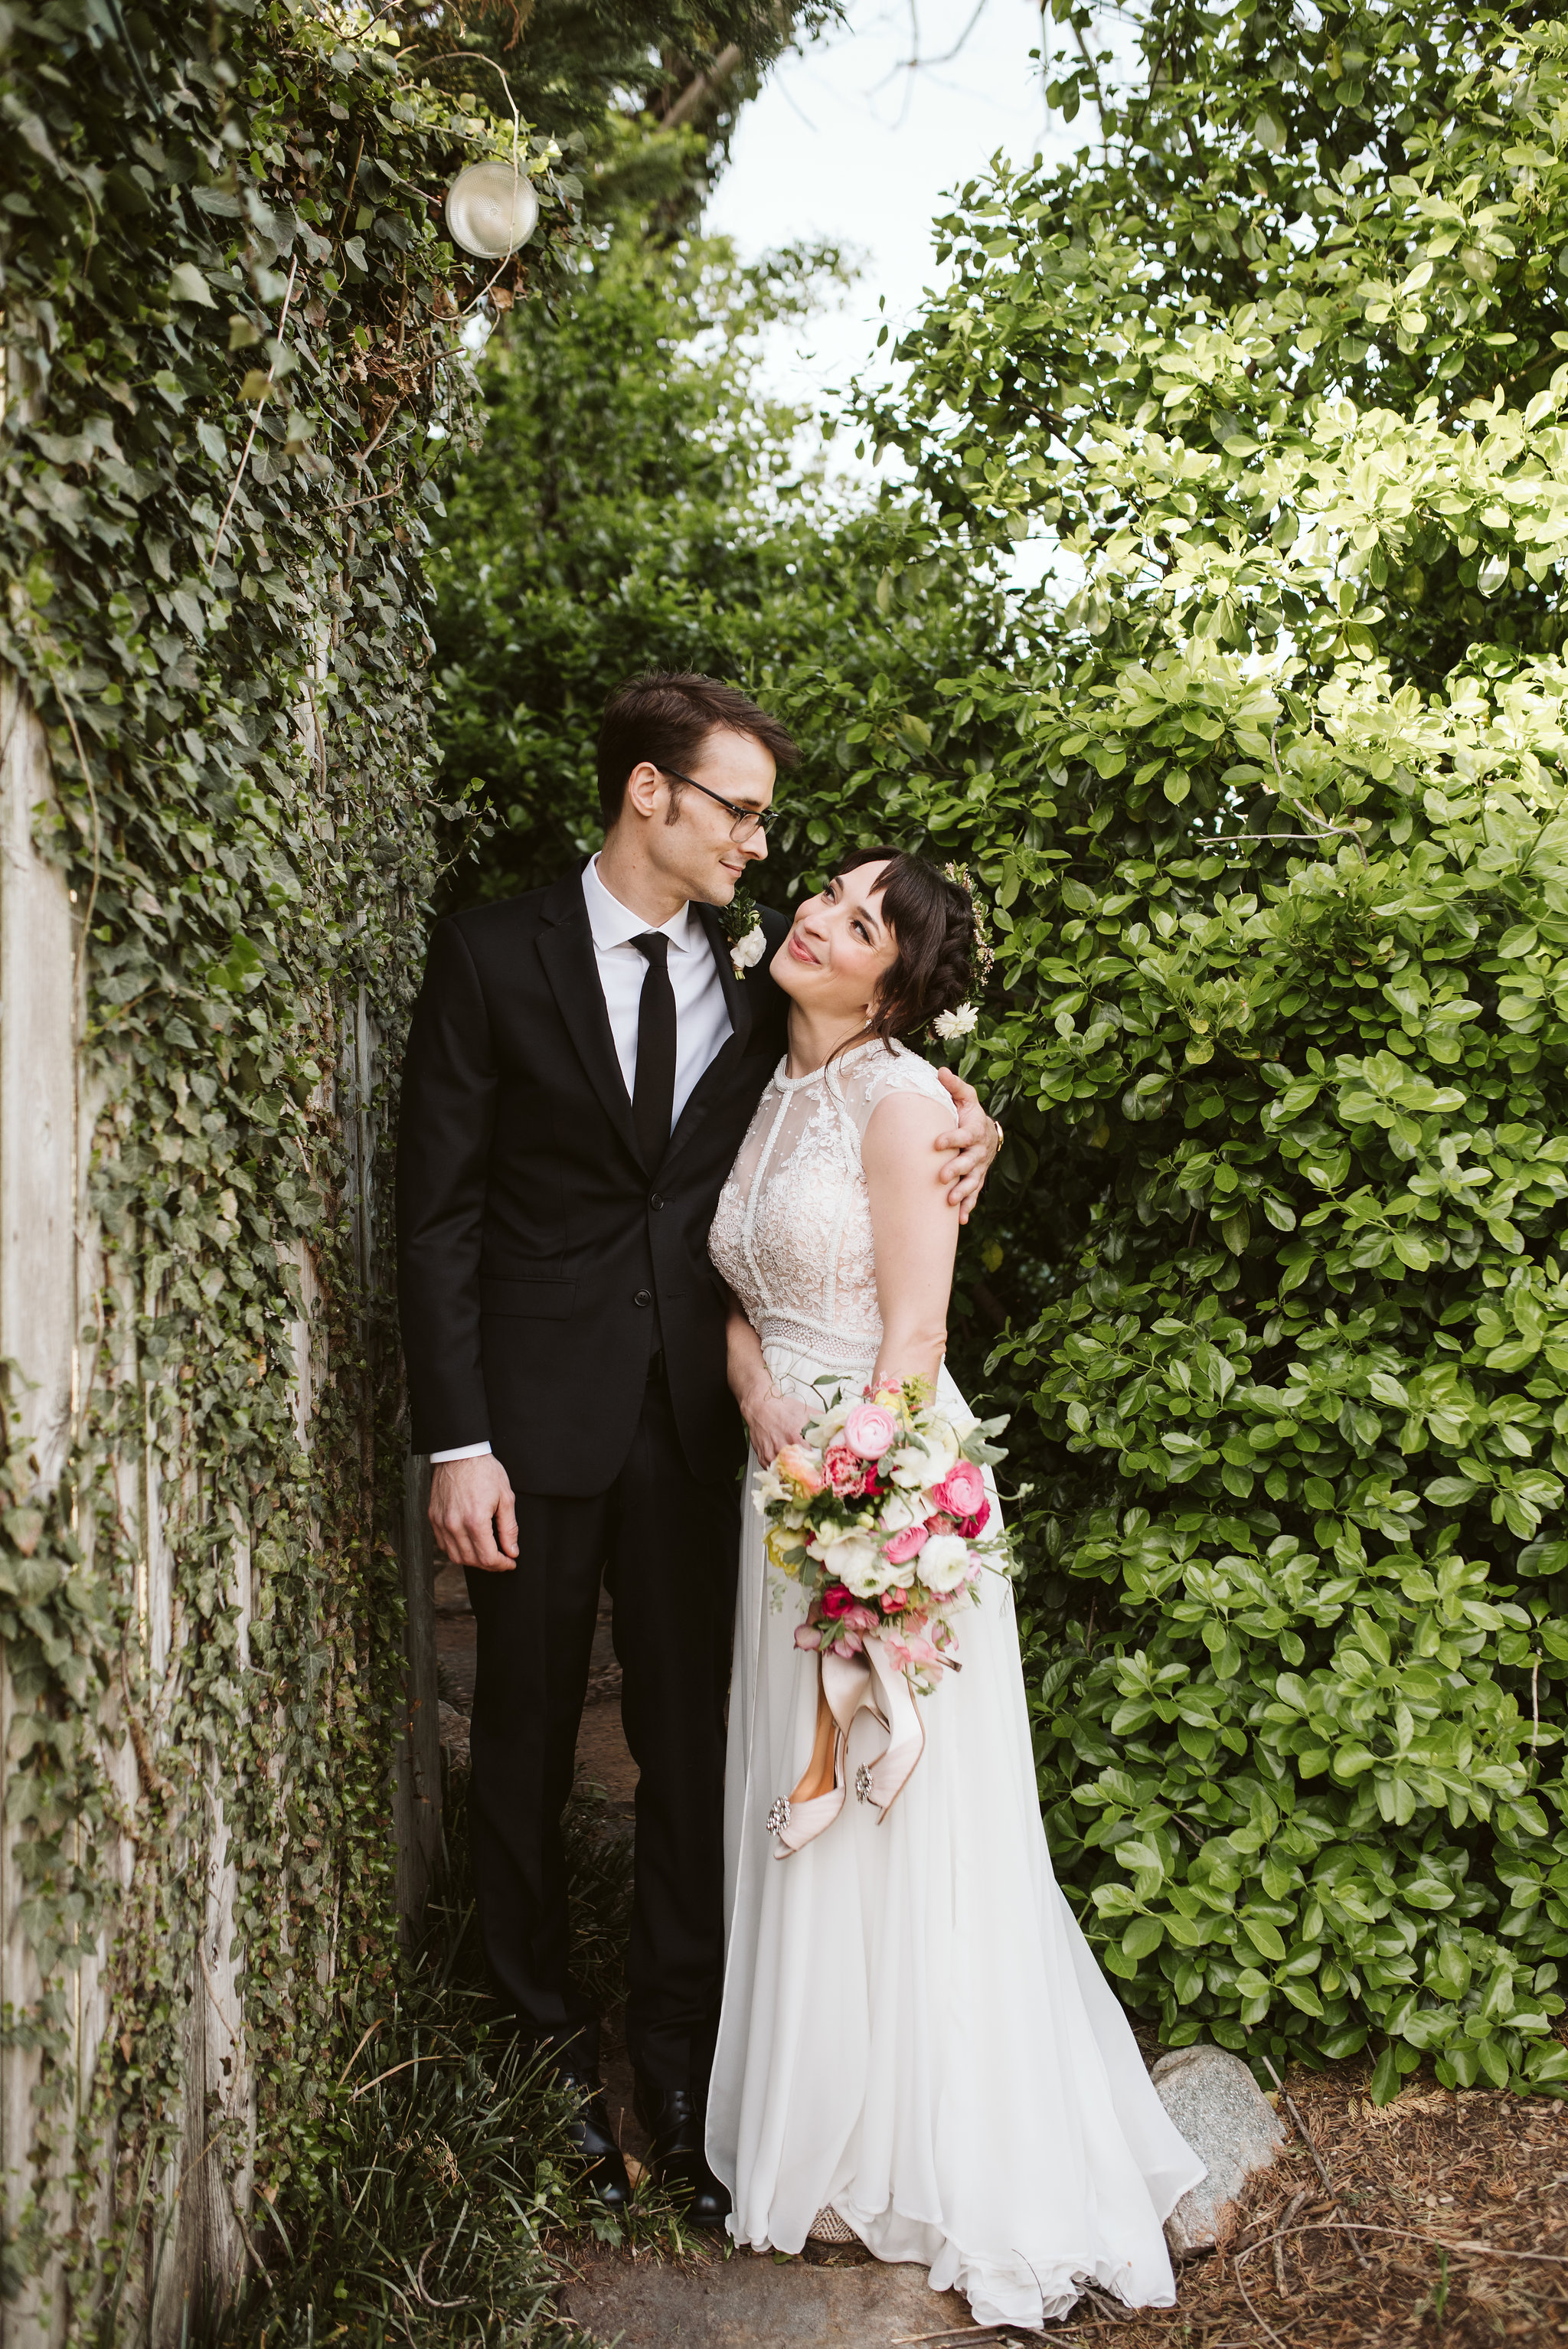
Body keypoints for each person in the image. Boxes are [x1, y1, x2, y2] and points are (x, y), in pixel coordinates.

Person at [395, 677, 1000, 2223]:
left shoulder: (752, 993)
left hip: (707, 1437)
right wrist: (456, 1438)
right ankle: (533, 2039)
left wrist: (968, 1126)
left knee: (695, 1755)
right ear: (649, 794)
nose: (756, 839)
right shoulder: (488, 954)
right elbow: (439, 1214)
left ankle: (678, 2048)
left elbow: (858, 1095)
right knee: (519, 1738)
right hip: (527, 1434)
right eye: (736, 807)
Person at [706, 848, 1205, 2325]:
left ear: (898, 985)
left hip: (872, 1494)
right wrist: (749, 1393)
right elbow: (737, 1281)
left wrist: (856, 1522)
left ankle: (919, 2148)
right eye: (828, 895)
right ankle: (825, 2122)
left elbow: (912, 1347)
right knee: (803, 1809)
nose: (820, 918)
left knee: (890, 1819)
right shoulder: (769, 1074)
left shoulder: (907, 1106)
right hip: (777, 1474)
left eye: (863, 924)